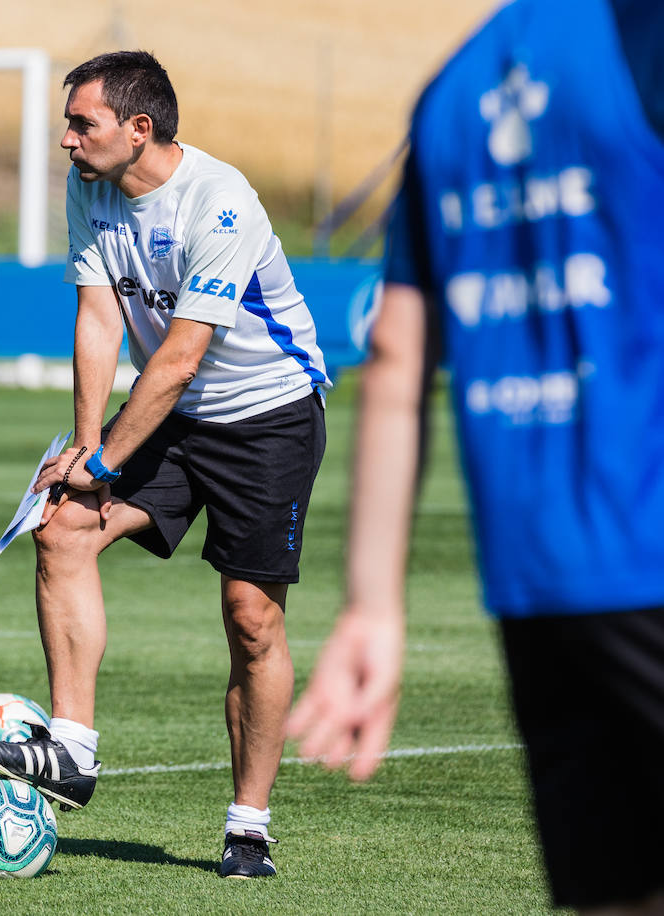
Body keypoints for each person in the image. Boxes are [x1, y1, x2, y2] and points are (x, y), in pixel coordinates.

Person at [287, 0, 664, 911]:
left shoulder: (454, 87)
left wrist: (372, 606)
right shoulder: (640, 38)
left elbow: (396, 358)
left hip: (539, 595)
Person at [0, 50, 331, 879]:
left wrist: (104, 458)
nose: (65, 139)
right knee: (60, 531)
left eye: (80, 122)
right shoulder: (91, 186)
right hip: (173, 414)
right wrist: (83, 446)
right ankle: (72, 751)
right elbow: (98, 319)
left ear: (139, 129)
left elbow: (178, 362)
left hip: (267, 417)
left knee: (251, 618)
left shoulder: (222, 202)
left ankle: (248, 827)